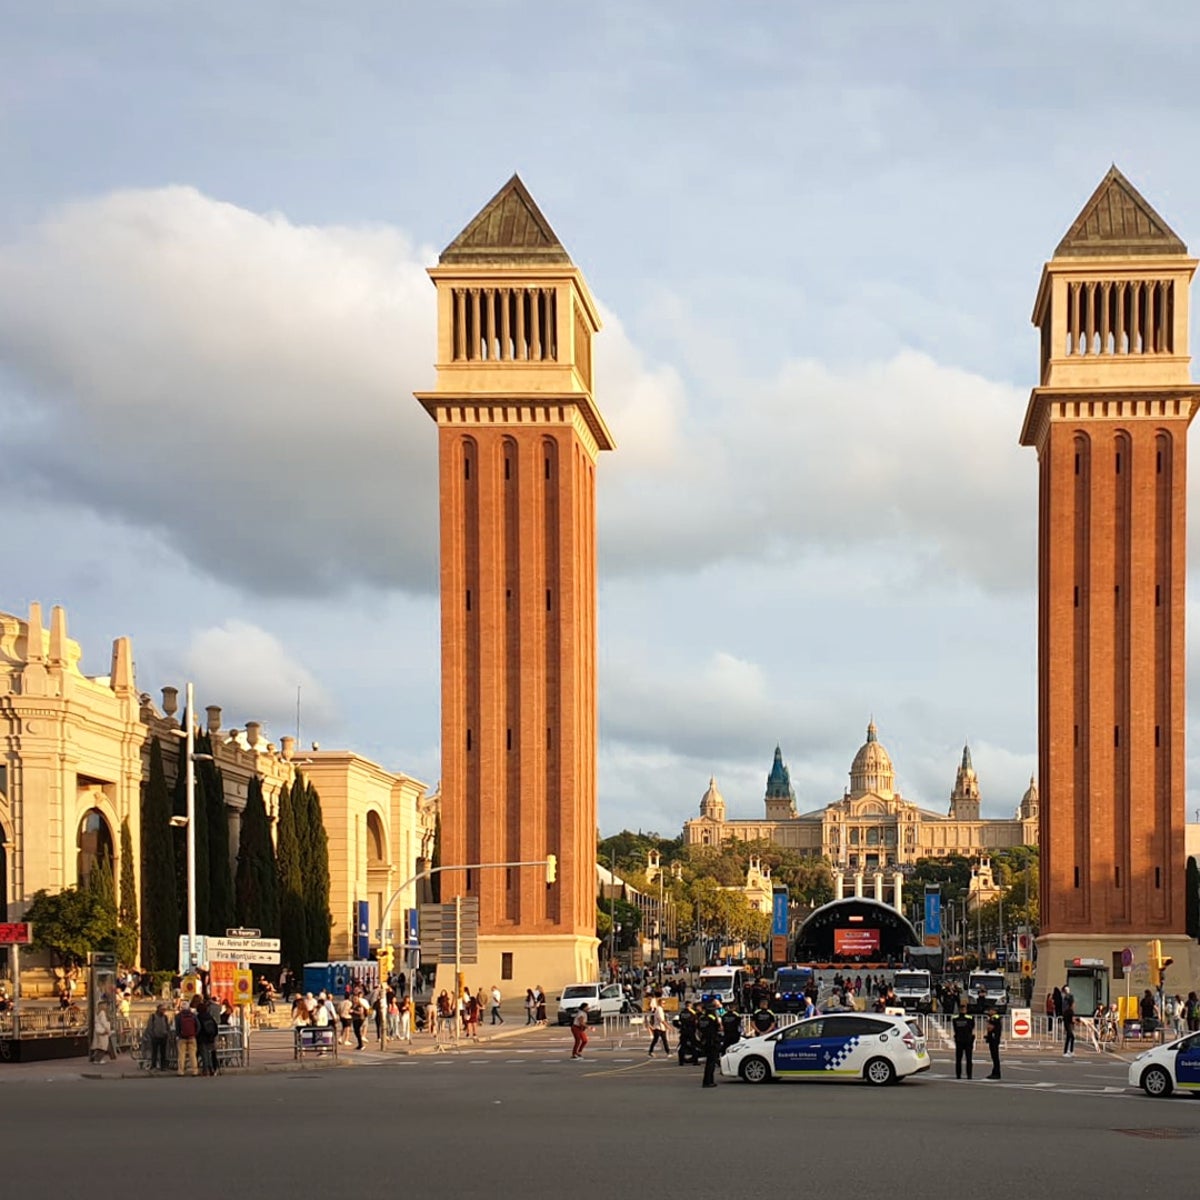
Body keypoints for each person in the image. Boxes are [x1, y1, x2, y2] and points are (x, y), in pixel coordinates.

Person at [696, 999, 722, 1088]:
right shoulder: (713, 1017)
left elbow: (699, 1028)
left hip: (705, 1041)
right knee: (711, 1063)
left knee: (708, 1063)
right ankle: (709, 1081)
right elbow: (718, 1027)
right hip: (712, 1041)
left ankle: (707, 1080)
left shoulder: (702, 1018)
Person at [175, 999, 200, 1076]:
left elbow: (177, 1027)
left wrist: (179, 1034)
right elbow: (198, 1026)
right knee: (192, 1055)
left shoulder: (178, 1016)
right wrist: (195, 1033)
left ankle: (181, 1071)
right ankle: (195, 1071)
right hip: (192, 1037)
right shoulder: (193, 1015)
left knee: (181, 1055)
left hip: (182, 1038)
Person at [951, 1004, 976, 1080]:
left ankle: (961, 1075)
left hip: (960, 1039)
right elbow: (972, 1026)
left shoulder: (955, 1018)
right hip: (966, 1039)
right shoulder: (970, 1018)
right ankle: (967, 1075)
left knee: (961, 1059)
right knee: (966, 1059)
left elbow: (955, 1027)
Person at [677, 1001, 699, 1065]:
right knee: (693, 1046)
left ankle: (681, 1061)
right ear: (690, 1005)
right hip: (690, 1031)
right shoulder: (692, 1012)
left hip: (683, 1030)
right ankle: (695, 1061)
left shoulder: (682, 1012)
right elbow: (695, 1021)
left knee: (683, 1046)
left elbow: (680, 1020)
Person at [984, 1009, 1002, 1079]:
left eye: (990, 1010)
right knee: (994, 1057)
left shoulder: (995, 1017)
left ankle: (996, 1073)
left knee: (995, 1057)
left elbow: (990, 1027)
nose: (989, 1012)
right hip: (993, 1039)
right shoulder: (993, 1018)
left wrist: (989, 1021)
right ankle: (995, 1072)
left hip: (994, 1040)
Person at [1062, 993, 1076, 1057]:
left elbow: (1064, 1018)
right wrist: (1078, 1021)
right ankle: (1066, 1052)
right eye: (1074, 1004)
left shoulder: (1066, 1011)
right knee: (1071, 1038)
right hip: (1069, 1026)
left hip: (1067, 1026)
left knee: (1070, 1038)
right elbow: (1073, 1020)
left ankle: (1070, 1051)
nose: (1074, 1005)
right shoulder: (1071, 1011)